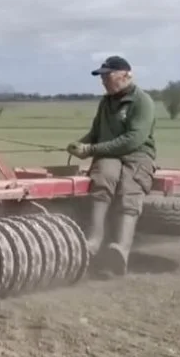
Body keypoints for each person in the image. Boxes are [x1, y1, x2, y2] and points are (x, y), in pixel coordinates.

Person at [66, 55, 157, 278]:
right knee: (103, 177)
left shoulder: (142, 101)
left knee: (130, 188)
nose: (104, 80)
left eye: (108, 75)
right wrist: (81, 144)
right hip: (108, 154)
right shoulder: (105, 102)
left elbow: (133, 139)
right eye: (102, 76)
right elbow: (96, 133)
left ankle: (121, 250)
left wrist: (91, 150)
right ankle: (94, 239)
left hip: (137, 155)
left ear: (126, 75)